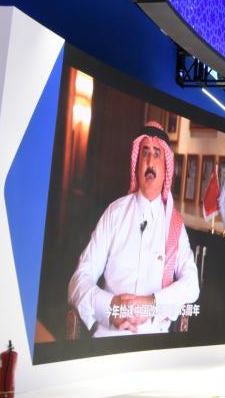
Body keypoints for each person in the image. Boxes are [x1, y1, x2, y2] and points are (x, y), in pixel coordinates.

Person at [68, 122, 199, 337]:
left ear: (166, 168)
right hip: (108, 338)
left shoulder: (174, 225)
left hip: (155, 340)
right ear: (136, 164)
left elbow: (192, 285)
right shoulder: (114, 213)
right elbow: (78, 280)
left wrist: (152, 304)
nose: (150, 161)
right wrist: (111, 307)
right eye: (144, 153)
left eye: (157, 154)